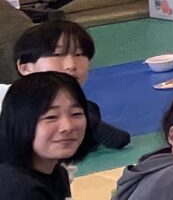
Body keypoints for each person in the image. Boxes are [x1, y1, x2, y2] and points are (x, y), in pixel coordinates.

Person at [10, 18, 126, 156]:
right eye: (57, 55)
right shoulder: (10, 107)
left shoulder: (88, 109)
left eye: (79, 54)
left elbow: (118, 140)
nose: (71, 65)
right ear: (25, 68)